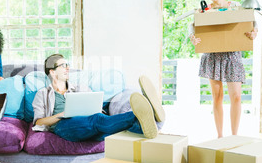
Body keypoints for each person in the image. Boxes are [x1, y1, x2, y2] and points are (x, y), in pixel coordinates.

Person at [32, 54, 165, 142]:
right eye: (63, 66)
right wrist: (63, 114)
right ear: (52, 71)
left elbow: (96, 107)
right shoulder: (43, 94)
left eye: (68, 65)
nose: (68, 68)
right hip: (63, 127)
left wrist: (98, 111)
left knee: (107, 128)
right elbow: (38, 122)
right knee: (98, 120)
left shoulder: (80, 87)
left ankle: (150, 125)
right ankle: (145, 113)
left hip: (90, 123)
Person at [189, 0, 258, 138]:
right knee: (217, 97)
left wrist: (254, 31)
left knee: (236, 97)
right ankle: (220, 136)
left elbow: (251, 21)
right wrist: (193, 36)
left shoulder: (235, 6)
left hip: (232, 56)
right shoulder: (205, 10)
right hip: (213, 56)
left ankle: (234, 135)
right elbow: (193, 26)